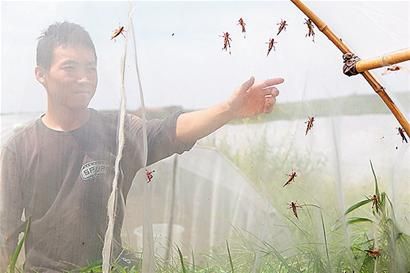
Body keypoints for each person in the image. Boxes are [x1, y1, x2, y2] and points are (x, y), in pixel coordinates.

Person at [0, 21, 283, 272]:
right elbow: (6, 234)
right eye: (69, 67)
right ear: (41, 74)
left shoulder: (117, 132)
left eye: (91, 67)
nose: (84, 78)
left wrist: (229, 110)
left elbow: (169, 131)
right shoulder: (21, 148)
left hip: (110, 267)